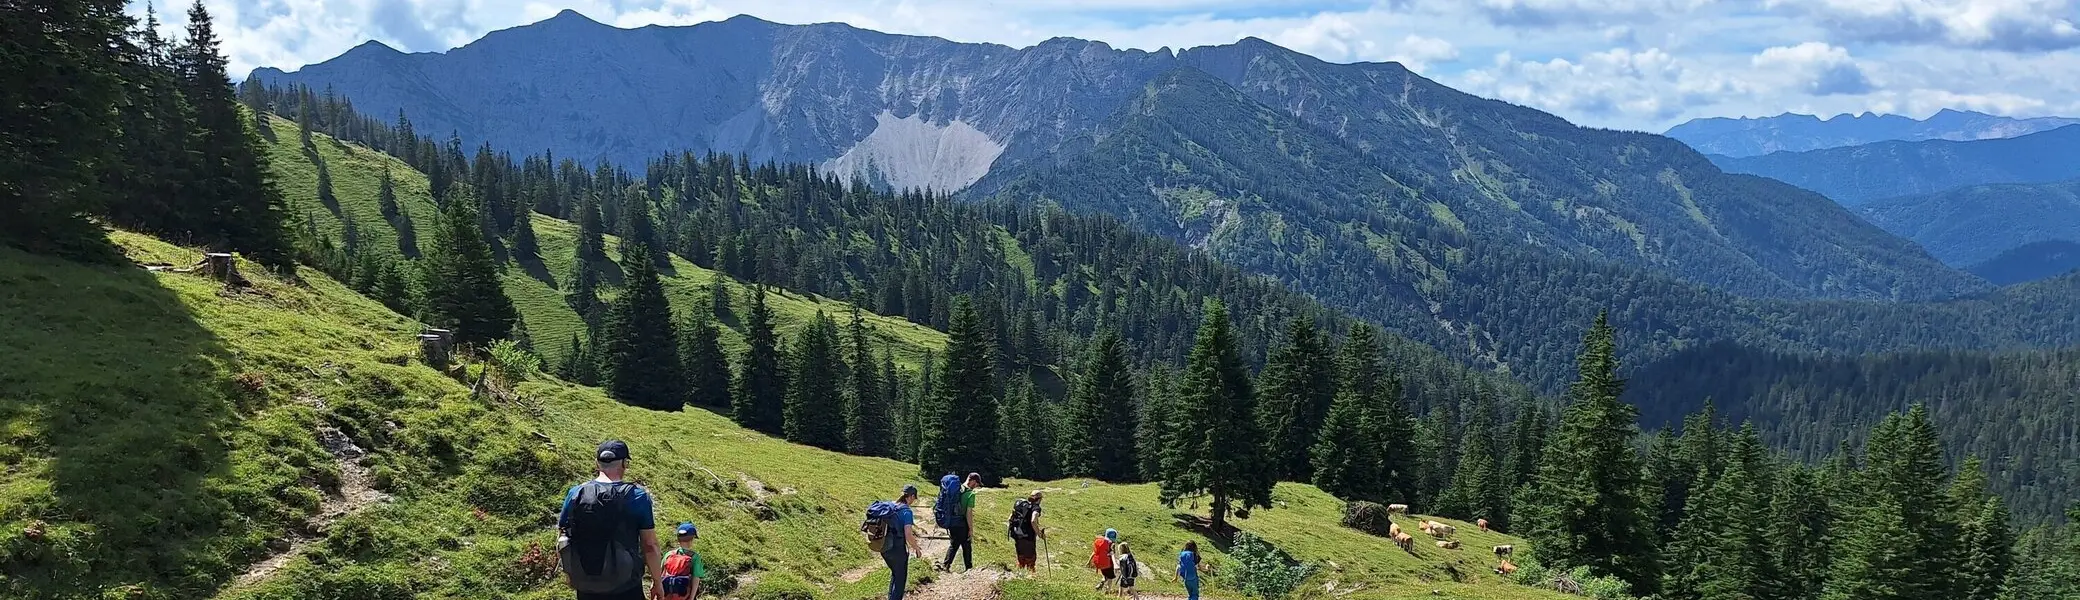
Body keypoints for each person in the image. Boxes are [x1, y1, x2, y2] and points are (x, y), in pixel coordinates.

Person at [557, 440, 663, 600]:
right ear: (625, 463)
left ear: (597, 463)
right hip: (626, 586)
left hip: (587, 585)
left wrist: (571, 574)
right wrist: (657, 581)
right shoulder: (637, 497)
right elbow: (650, 546)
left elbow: (563, 537)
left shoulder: (576, 493)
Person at [883, 484, 925, 600]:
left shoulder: (892, 506)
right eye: (914, 498)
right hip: (897, 548)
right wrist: (916, 548)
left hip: (884, 547)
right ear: (911, 496)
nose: (913, 501)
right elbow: (908, 534)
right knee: (900, 578)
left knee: (896, 574)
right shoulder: (907, 512)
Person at [938, 472, 980, 572]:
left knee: (954, 544)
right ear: (973, 481)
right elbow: (968, 513)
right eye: (977, 483)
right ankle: (969, 568)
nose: (977, 486)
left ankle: (946, 565)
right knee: (966, 545)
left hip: (952, 521)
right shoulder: (970, 494)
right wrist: (971, 529)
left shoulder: (957, 489)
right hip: (961, 522)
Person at [660, 522, 705, 600]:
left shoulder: (668, 554)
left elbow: (659, 575)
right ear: (692, 539)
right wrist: (691, 597)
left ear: (678, 539)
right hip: (684, 596)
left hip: (667, 595)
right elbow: (696, 579)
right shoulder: (695, 557)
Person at [1009, 490, 1046, 572]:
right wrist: (1039, 534)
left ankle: (1018, 575)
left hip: (1018, 535)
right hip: (1028, 537)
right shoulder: (1036, 507)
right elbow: (1033, 520)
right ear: (1039, 499)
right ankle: (1031, 578)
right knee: (1031, 560)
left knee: (1021, 558)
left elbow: (1010, 518)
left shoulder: (1021, 505)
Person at [1091, 528, 1119, 593]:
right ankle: (1108, 591)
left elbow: (1095, 552)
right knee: (1110, 578)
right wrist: (1115, 564)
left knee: (1105, 574)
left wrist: (1089, 561)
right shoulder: (1111, 544)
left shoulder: (1102, 542)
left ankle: (1103, 579)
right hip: (1109, 563)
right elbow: (1112, 554)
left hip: (1101, 563)